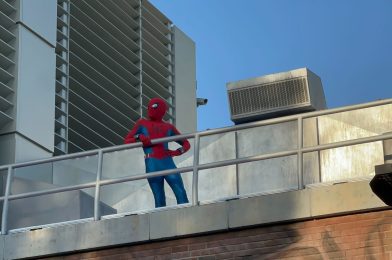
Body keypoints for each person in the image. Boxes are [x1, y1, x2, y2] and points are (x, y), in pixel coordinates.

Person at [124, 98, 190, 208]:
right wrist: (139, 137)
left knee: (181, 194)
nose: (150, 109)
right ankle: (164, 222)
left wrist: (177, 152)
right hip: (153, 164)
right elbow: (127, 140)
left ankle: (187, 217)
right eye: (150, 107)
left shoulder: (169, 127)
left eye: (154, 107)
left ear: (162, 110)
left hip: (166, 162)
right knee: (159, 199)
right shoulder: (142, 123)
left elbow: (186, 144)